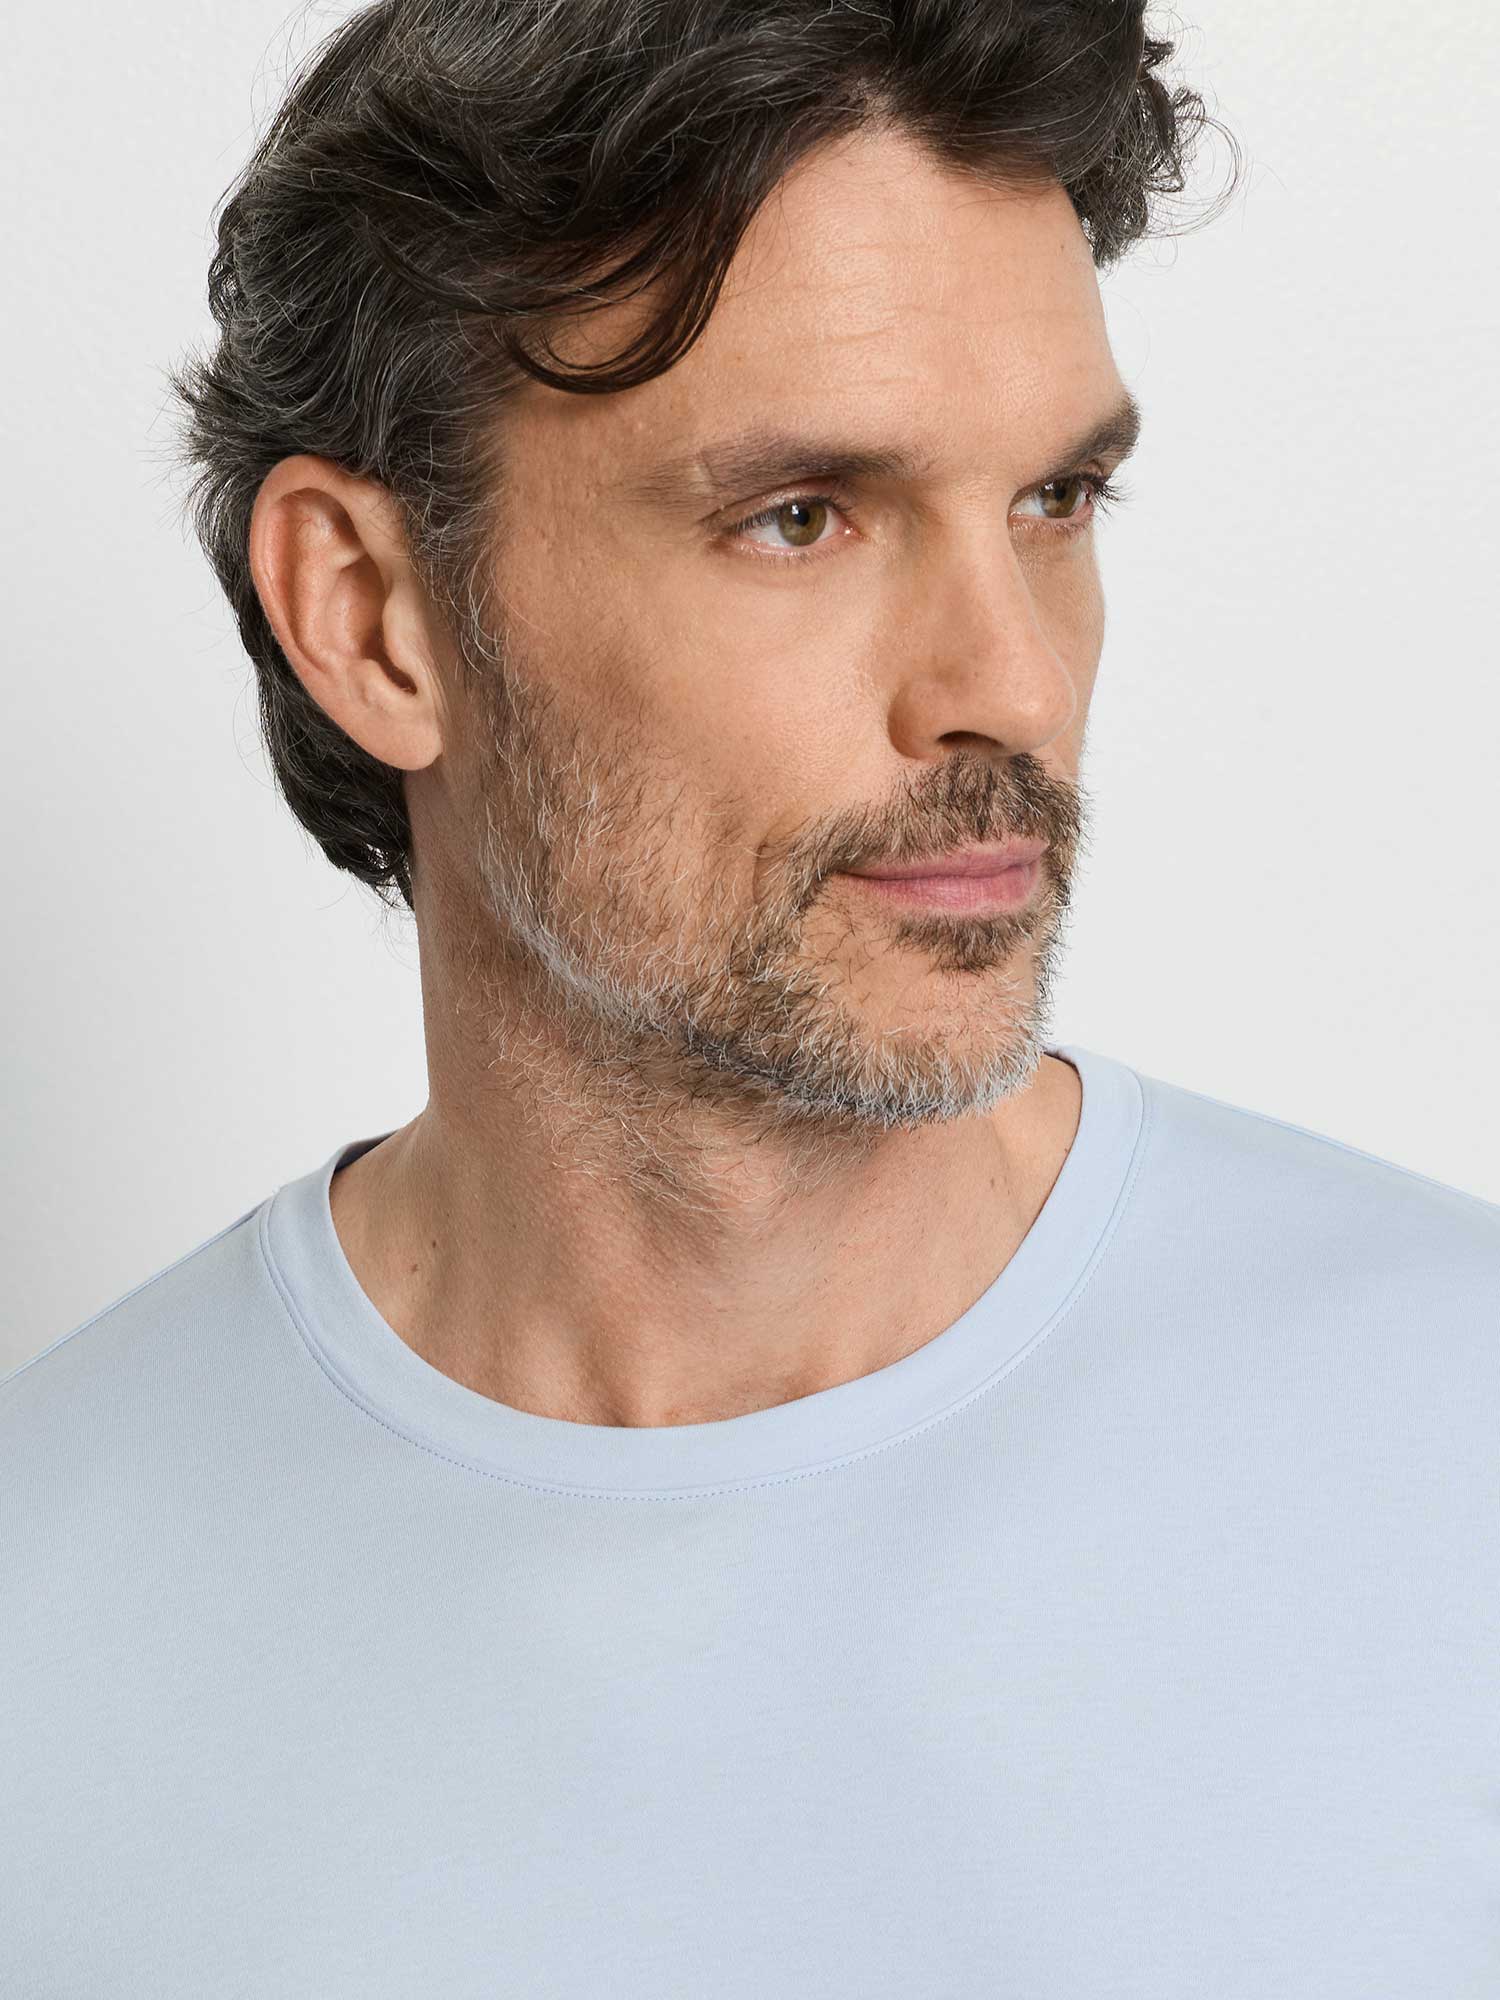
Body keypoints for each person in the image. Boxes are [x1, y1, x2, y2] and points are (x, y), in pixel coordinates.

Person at [5, 2, 1496, 1992]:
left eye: (1055, 500)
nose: (1011, 685)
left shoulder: (1457, 1449)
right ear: (371, 619)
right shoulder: (48, 1625)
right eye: (802, 517)